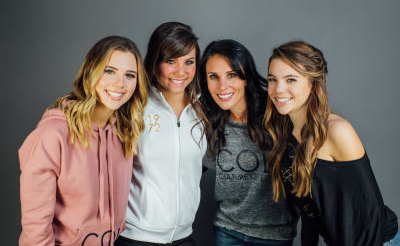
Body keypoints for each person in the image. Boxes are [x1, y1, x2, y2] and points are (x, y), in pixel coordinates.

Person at [264, 40, 399, 246]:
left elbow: (368, 216)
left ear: (313, 83)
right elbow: (309, 207)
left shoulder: (336, 131)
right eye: (272, 79)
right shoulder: (288, 134)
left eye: (291, 79)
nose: (278, 89)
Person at [19, 36, 148, 245]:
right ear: (91, 71)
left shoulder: (125, 132)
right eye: (109, 71)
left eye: (130, 75)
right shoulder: (53, 134)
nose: (120, 84)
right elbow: (35, 229)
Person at [116, 22, 207, 246]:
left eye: (189, 62)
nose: (181, 72)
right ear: (155, 62)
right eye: (170, 61)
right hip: (136, 236)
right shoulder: (134, 106)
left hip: (184, 236)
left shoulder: (203, 110)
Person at [200, 39, 298, 246]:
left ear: (246, 77)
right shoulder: (207, 120)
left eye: (232, 75)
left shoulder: (276, 114)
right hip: (227, 231)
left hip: (274, 235)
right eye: (213, 77)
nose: (222, 86)